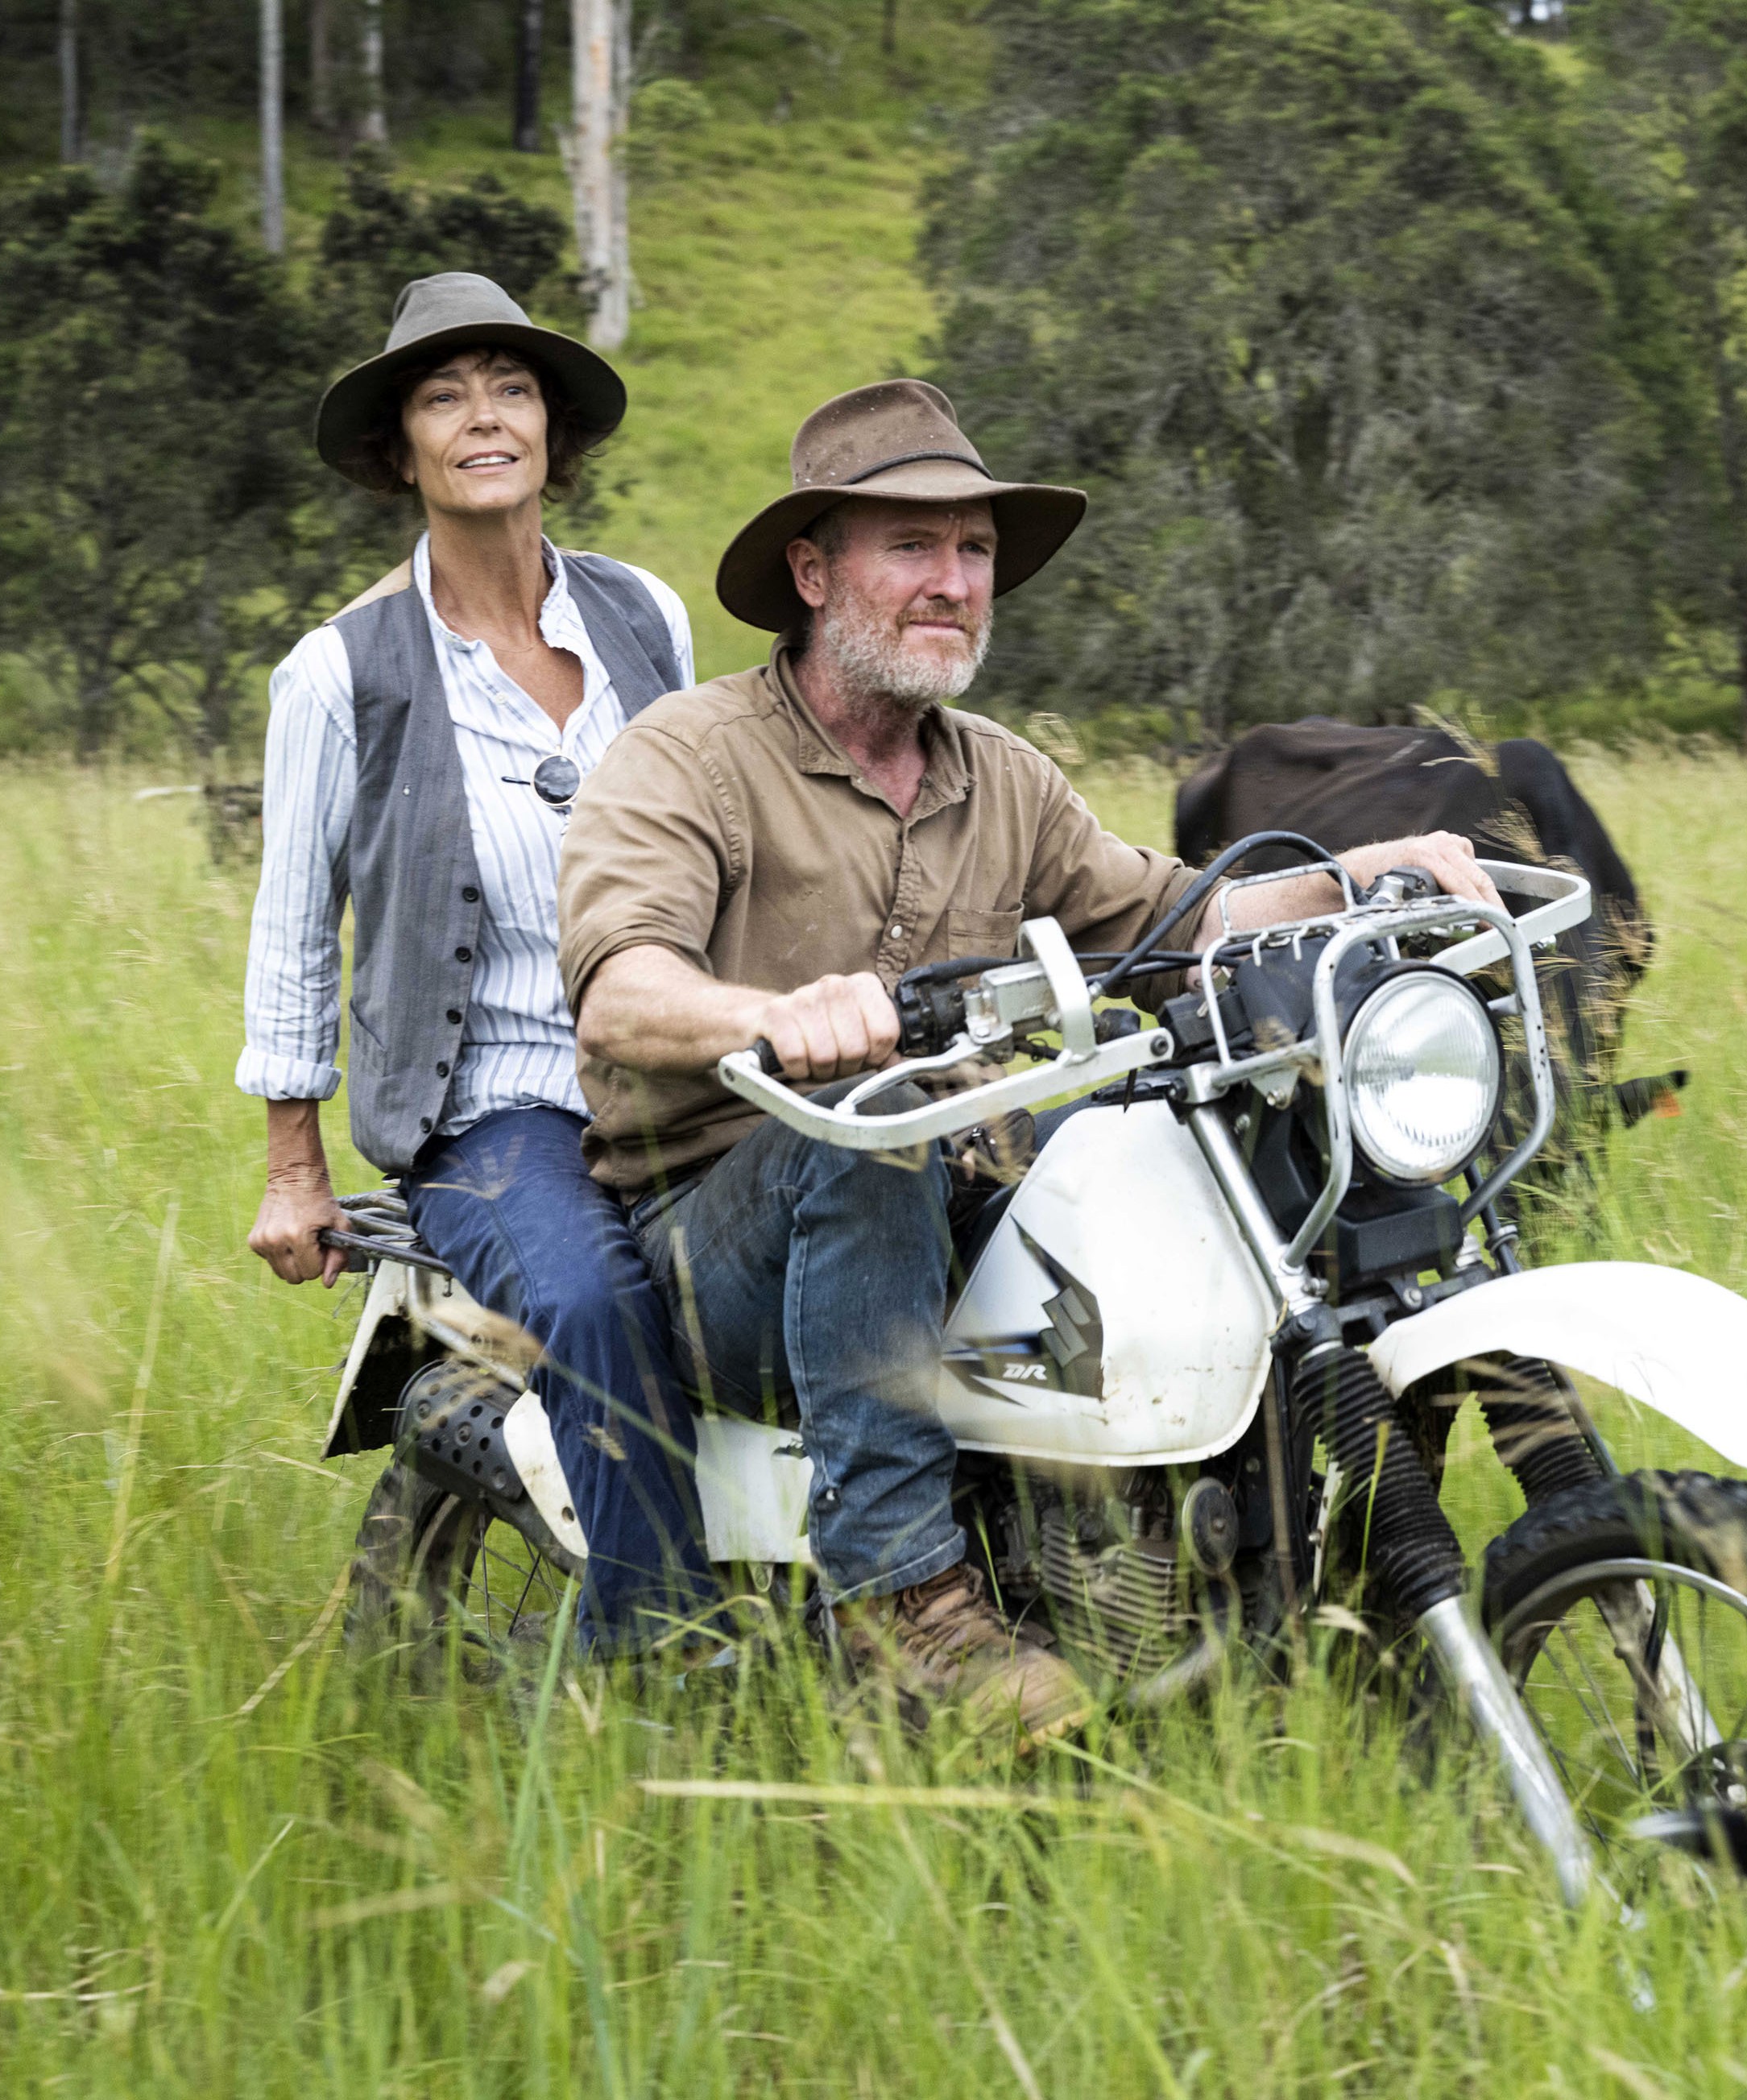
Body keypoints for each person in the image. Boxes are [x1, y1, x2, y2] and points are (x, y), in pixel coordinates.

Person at [554, 379, 1500, 1750]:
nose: (953, 583)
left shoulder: (1001, 777)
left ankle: (1281, 1589)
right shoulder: (687, 758)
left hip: (932, 1201)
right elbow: (622, 995)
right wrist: (772, 1016)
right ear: (813, 573)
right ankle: (901, 1598)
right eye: (910, 547)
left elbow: (1173, 915)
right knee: (861, 1129)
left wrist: (1358, 876)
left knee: (1201, 1172)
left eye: (976, 552)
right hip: (711, 1246)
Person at [239, 272, 713, 1656]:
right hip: (492, 1109)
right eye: (444, 396)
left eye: (511, 388)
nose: (483, 417)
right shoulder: (340, 673)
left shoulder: (645, 617)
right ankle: (674, 1669)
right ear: (404, 452)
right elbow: (291, 927)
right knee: (587, 1301)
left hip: (680, 1067)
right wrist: (292, 1168)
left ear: (553, 431)